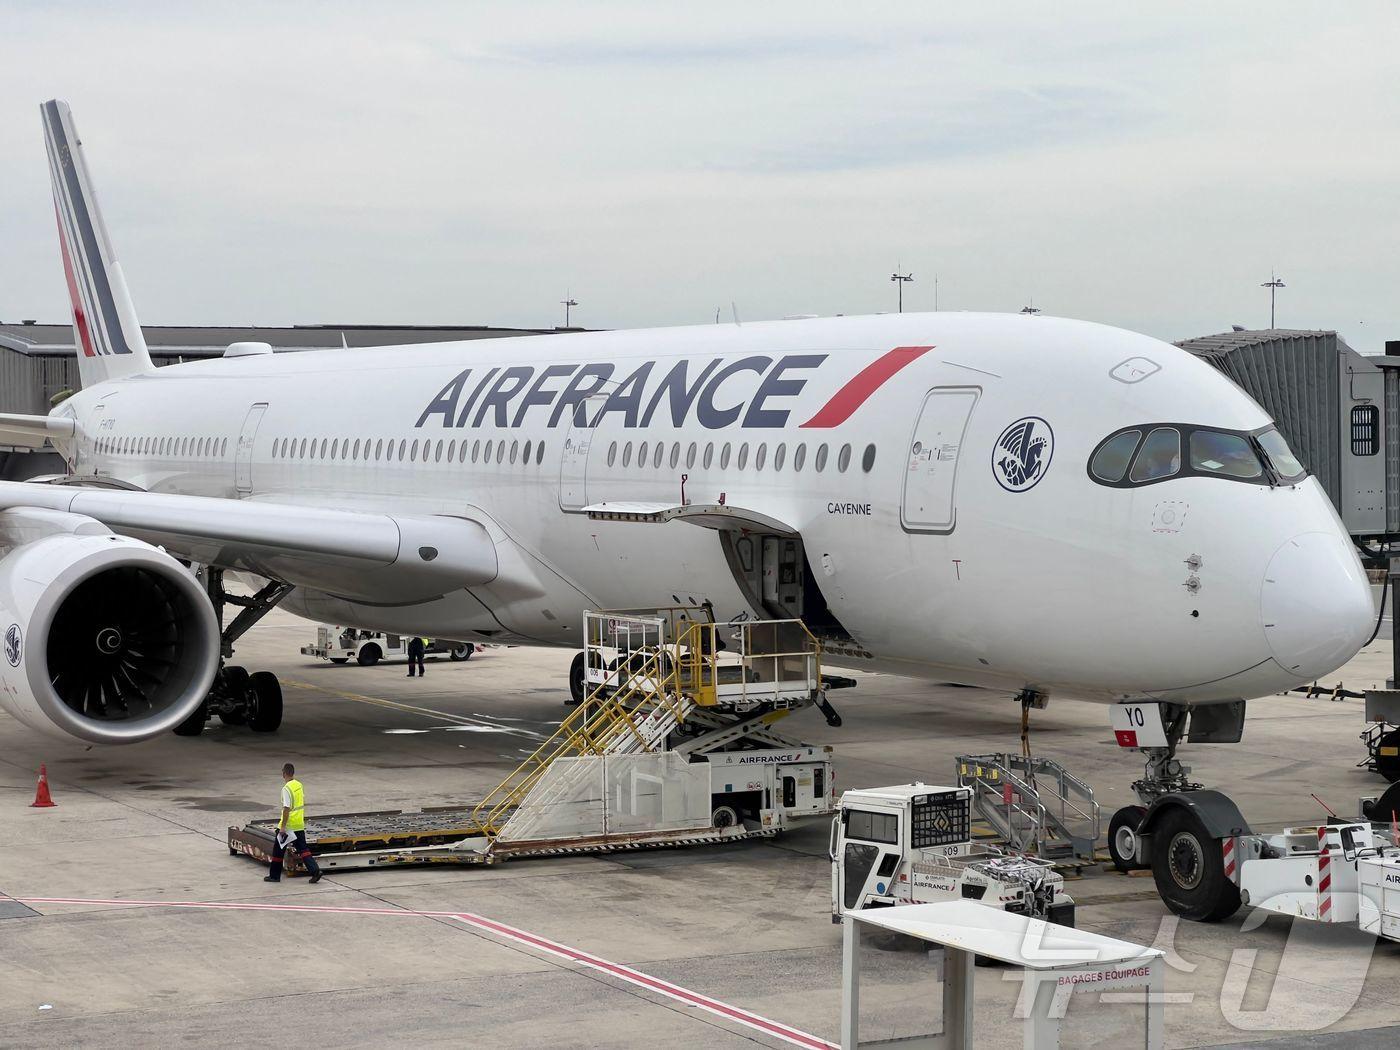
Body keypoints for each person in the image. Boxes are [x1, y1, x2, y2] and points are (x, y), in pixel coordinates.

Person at [265, 762, 322, 884]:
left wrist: (283, 827)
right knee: (303, 850)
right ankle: (315, 871)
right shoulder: (299, 785)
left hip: (288, 826)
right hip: (299, 823)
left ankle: (274, 876)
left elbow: (286, 808)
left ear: (284, 773)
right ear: (293, 773)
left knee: (278, 851)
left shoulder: (286, 789)